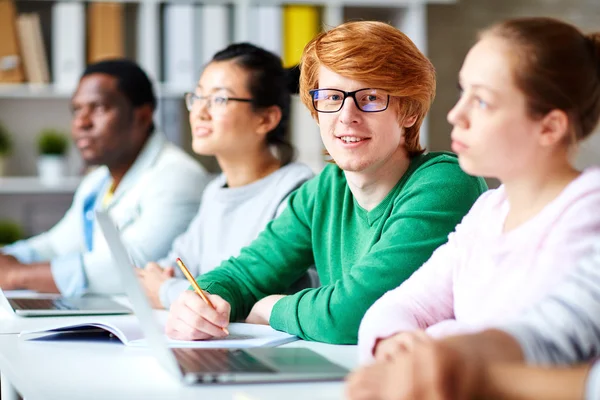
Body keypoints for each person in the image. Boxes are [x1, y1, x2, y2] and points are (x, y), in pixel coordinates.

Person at [164, 21, 487, 344]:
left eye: (370, 97)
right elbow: (243, 275)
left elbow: (352, 315)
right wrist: (198, 303)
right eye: (331, 97)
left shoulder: (446, 182)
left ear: (409, 112)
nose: (347, 115)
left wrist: (269, 309)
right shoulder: (325, 189)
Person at [357, 17, 600, 362]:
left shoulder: (588, 213)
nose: (456, 114)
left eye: (482, 101)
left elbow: (527, 347)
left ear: (550, 127)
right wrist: (394, 343)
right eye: (462, 92)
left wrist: (436, 338)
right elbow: (399, 306)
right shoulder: (488, 211)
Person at [0, 59, 210, 296]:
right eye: (77, 110)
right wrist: (10, 257)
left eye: (98, 108)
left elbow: (128, 269)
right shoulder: (99, 180)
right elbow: (56, 245)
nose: (82, 122)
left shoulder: (178, 177)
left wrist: (16, 275)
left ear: (142, 116)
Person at [136, 43, 315, 309]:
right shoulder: (216, 191)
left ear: (266, 119)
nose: (199, 112)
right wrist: (159, 282)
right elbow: (174, 267)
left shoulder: (296, 192)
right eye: (197, 97)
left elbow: (252, 295)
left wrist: (166, 292)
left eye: (219, 99)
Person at [346, 239, 600, 400]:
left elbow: (346, 310)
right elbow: (551, 329)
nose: (455, 148)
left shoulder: (587, 210)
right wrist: (410, 347)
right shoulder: (489, 209)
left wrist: (463, 367)